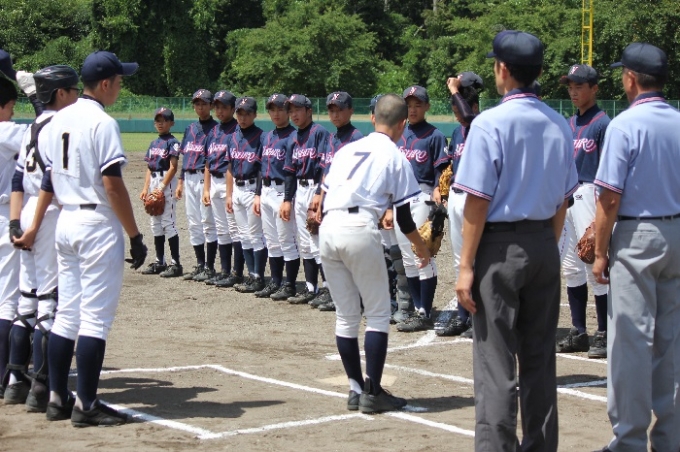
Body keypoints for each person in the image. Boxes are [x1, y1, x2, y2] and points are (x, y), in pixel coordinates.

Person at [454, 31, 578, 451]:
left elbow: (477, 201)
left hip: (499, 247)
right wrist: (547, 245)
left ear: (502, 69)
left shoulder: (489, 122)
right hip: (543, 242)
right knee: (540, 358)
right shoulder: (559, 122)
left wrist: (465, 265)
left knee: (496, 360)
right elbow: (563, 199)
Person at [13, 50, 147, 427]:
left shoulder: (57, 119)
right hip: (95, 222)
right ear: (104, 84)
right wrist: (135, 235)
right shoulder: (102, 123)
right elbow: (112, 185)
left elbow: (49, 179)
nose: (119, 87)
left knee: (66, 315)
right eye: (118, 81)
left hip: (66, 220)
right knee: (95, 319)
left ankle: (57, 397)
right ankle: (86, 404)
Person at [592, 42, 680, 452]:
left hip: (637, 235)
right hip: (676, 232)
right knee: (671, 343)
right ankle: (670, 439)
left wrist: (600, 251)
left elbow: (609, 197)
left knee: (630, 341)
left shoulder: (624, 125)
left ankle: (628, 441)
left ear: (630, 78)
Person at [320, 93, 430, 413]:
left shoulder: (347, 149)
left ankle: (356, 389)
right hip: (359, 228)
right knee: (379, 314)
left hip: (328, 227)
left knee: (346, 316)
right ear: (403, 124)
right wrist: (420, 245)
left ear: (372, 118)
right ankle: (373, 392)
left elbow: (324, 193)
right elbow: (405, 220)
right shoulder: (396, 157)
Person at [3, 66, 79, 411]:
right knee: (49, 301)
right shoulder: (59, 125)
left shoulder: (33, 126)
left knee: (26, 301)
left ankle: (15, 382)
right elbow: (51, 177)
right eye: (73, 90)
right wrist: (34, 226)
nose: (77, 96)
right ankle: (41, 386)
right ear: (60, 93)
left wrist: (16, 222)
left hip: (27, 209)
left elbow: (18, 178)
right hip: (47, 213)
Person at [555, 64, 610, 358]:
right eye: (570, 87)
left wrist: (602, 214)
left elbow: (609, 171)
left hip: (591, 192)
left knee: (593, 264)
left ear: (594, 89)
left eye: (579, 86)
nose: (573, 92)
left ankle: (604, 331)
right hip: (568, 195)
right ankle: (579, 331)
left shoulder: (603, 124)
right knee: (571, 267)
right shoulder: (568, 123)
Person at [0, 53, 40, 399]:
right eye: (10, 107)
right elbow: (48, 129)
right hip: (4, 217)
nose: (12, 113)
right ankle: (7, 377)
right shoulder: (6, 132)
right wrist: (29, 88)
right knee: (8, 301)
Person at [392, 85, 448, 332]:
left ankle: (424, 311)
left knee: (421, 254)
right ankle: (418, 310)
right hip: (400, 199)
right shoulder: (399, 133)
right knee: (407, 259)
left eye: (418, 105)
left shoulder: (434, 135)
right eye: (409, 105)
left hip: (422, 197)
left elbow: (442, 172)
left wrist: (439, 194)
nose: (413, 109)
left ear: (427, 107)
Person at [436, 71, 483, 338]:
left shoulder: (481, 124)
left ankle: (479, 320)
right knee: (459, 260)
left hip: (474, 198)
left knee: (476, 260)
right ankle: (463, 317)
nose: (457, 115)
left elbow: (469, 117)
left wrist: (455, 90)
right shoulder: (456, 131)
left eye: (458, 109)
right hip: (456, 196)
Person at [311, 91, 363, 312]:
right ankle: (336, 293)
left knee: (346, 250)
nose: (335, 114)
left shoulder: (357, 138)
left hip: (346, 201)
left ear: (350, 110)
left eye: (339, 110)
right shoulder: (331, 138)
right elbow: (326, 172)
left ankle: (352, 296)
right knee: (331, 249)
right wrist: (319, 198)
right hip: (330, 198)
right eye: (331, 110)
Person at [281, 95, 330, 305]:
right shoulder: (293, 137)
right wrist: (287, 199)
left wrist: (319, 194)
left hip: (315, 188)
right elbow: (289, 172)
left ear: (309, 111)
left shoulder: (319, 133)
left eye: (298, 110)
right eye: (291, 111)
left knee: (317, 241)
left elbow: (325, 167)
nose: (294, 114)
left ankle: (328, 288)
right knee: (305, 243)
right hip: (299, 191)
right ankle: (311, 288)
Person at [253, 93, 300, 300]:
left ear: (288, 112)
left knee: (286, 240)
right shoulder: (267, 136)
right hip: (266, 191)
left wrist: (288, 199)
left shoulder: (294, 137)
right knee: (272, 241)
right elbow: (260, 168)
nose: (276, 113)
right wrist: (257, 194)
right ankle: (276, 281)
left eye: (280, 109)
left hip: (283, 192)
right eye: (272, 109)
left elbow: (292, 172)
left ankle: (289, 284)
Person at [176, 89, 218, 282]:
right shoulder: (190, 129)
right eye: (197, 104)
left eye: (204, 104)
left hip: (204, 178)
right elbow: (185, 157)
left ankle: (210, 266)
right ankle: (200, 264)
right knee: (193, 223)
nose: (200, 107)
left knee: (207, 222)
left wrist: (208, 187)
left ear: (211, 106)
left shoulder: (216, 130)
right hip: (189, 177)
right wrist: (180, 181)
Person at [225, 97, 266, 293]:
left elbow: (262, 169)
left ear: (254, 114)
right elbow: (229, 168)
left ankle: (259, 277)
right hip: (237, 190)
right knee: (243, 236)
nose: (242, 117)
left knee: (255, 235)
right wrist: (229, 195)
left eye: (247, 114)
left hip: (252, 189)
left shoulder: (261, 137)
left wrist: (258, 194)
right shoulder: (232, 138)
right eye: (239, 113)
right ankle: (252, 275)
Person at [202, 90, 242, 287]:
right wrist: (206, 189)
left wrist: (230, 192)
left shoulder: (237, 130)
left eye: (224, 107)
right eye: (217, 107)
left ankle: (237, 272)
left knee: (234, 229)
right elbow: (207, 163)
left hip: (230, 182)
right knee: (221, 229)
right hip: (215, 183)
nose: (219, 111)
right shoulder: (214, 131)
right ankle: (225, 270)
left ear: (233, 109)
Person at [139, 107, 183, 278]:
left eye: (164, 120)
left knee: (168, 222)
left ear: (171, 123)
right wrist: (146, 188)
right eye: (157, 120)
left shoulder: (173, 142)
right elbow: (149, 168)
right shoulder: (153, 143)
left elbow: (173, 167)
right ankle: (160, 261)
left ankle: (175, 264)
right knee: (155, 223)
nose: (160, 123)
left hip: (166, 182)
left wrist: (162, 187)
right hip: (154, 182)